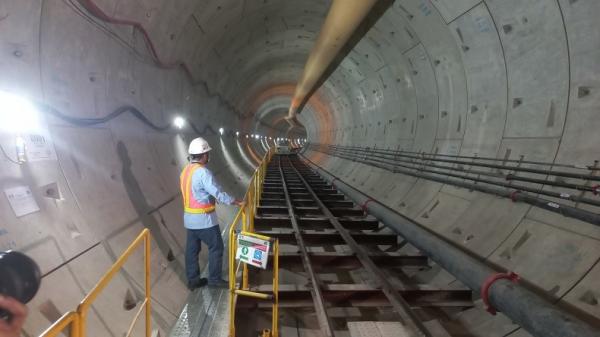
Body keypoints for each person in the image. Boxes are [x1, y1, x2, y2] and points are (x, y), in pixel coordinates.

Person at [180, 137, 243, 290]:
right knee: (216, 247)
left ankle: (193, 280)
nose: (208, 156)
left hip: (189, 219)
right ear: (203, 155)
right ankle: (214, 279)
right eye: (207, 153)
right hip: (204, 219)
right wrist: (235, 201)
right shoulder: (203, 173)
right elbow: (217, 192)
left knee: (192, 250)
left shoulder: (186, 170)